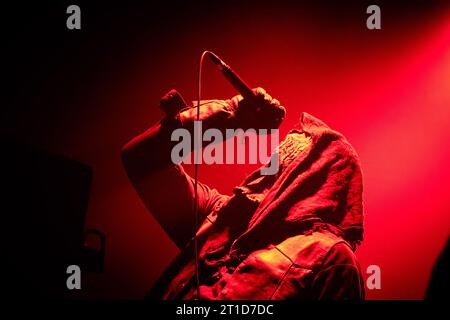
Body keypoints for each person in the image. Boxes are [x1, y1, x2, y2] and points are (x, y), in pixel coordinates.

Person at [121, 87, 365, 299]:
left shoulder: (332, 258)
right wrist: (231, 114)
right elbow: (143, 160)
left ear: (316, 176)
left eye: (291, 152)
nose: (274, 158)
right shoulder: (221, 215)